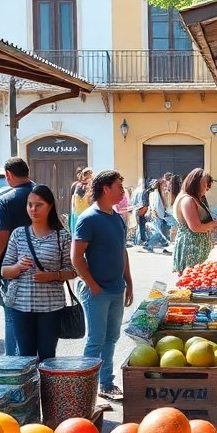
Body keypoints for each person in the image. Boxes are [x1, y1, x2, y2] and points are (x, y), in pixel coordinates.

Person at [73, 170, 134, 401]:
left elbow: (122, 251)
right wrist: (92, 285)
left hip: (116, 288)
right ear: (105, 189)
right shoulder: (89, 218)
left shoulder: (116, 217)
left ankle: (106, 383)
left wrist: (128, 280)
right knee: (96, 340)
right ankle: (84, 389)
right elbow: (76, 257)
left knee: (111, 338)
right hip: (97, 291)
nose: (122, 190)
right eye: (119, 186)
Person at [0, 185, 76, 362]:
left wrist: (52, 276)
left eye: (38, 205)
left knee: (47, 356)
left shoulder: (62, 237)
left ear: (50, 206)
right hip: (20, 305)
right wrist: (18, 267)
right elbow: (4, 270)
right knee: (25, 357)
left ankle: (46, 390)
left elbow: (72, 271)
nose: (33, 209)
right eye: (29, 205)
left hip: (51, 307)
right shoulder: (18, 234)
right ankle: (29, 390)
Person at [0, 157, 36, 355]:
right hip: (42, 266)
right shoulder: (43, 194)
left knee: (12, 319)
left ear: (8, 175)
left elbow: (0, 237)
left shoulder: (6, 200)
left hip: (13, 268)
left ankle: (14, 369)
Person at [172, 168, 217, 272]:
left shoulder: (193, 198)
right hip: (192, 248)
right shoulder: (187, 200)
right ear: (196, 184)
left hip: (197, 247)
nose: (207, 189)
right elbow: (195, 227)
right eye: (206, 186)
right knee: (191, 279)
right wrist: (213, 224)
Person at [144, 178, 172, 253]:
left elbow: (166, 205)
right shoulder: (154, 193)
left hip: (164, 215)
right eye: (164, 184)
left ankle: (165, 246)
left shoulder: (165, 193)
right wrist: (154, 213)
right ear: (160, 184)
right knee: (158, 233)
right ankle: (148, 245)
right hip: (157, 216)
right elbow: (152, 205)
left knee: (165, 232)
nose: (166, 186)